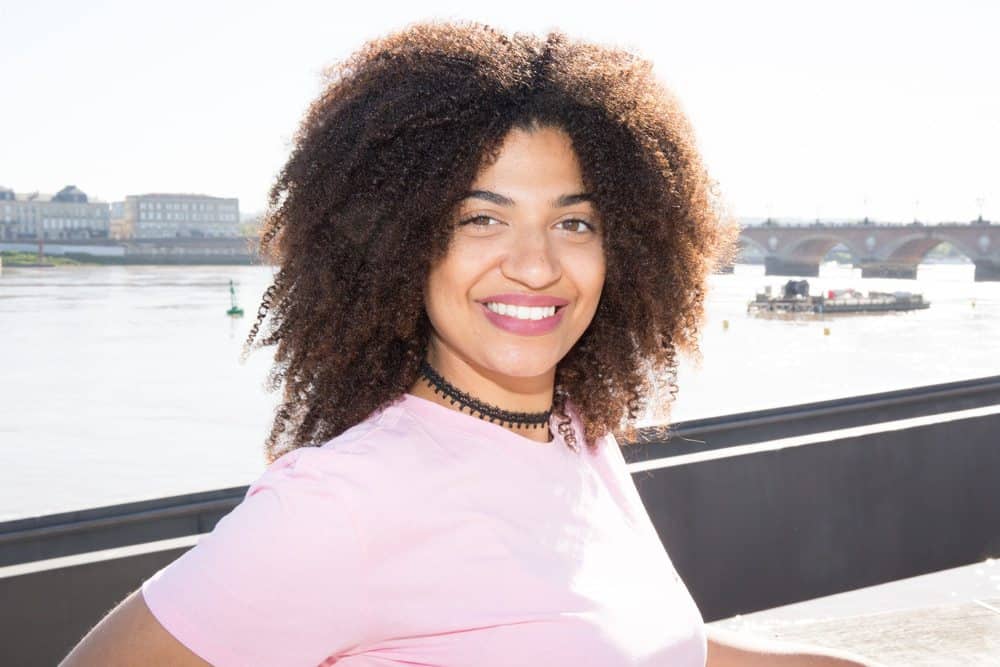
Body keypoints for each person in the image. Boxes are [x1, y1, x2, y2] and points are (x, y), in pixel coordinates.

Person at [62, 21, 878, 667]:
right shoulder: (338, 504)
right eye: (480, 218)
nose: (534, 264)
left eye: (573, 221)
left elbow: (628, 645)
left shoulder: (576, 434)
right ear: (404, 245)